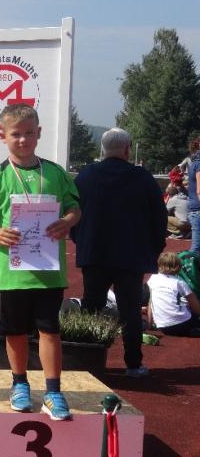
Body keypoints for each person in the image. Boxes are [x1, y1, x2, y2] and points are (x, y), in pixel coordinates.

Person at [0, 104, 81, 421]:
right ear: (3, 136)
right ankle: (19, 384)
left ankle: (53, 392)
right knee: (14, 331)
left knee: (50, 330)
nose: (23, 140)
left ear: (39, 133)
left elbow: (75, 208)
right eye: (16, 134)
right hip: (12, 272)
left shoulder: (56, 173)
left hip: (48, 270)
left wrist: (67, 221)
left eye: (29, 133)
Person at [72, 128, 167, 378]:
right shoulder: (142, 177)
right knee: (130, 311)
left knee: (91, 306)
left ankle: (87, 360)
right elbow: (159, 218)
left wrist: (81, 242)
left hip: (95, 253)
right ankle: (133, 364)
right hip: (131, 257)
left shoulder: (87, 175)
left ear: (103, 149)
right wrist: (153, 249)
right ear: (127, 149)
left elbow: (72, 212)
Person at [147, 252, 200, 337]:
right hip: (183, 323)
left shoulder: (153, 278)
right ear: (178, 266)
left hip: (163, 327)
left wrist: (149, 324)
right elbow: (195, 305)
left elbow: (151, 302)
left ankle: (189, 331)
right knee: (192, 314)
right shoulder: (179, 282)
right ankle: (191, 330)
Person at [186, 137, 200, 254]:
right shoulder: (199, 164)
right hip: (198, 209)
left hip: (194, 208)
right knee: (196, 249)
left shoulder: (194, 163)